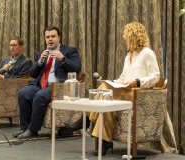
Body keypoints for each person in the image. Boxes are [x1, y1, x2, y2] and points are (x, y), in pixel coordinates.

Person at [66, 22, 160, 156]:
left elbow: (156, 77)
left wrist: (137, 82)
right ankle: (105, 141)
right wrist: (111, 82)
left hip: (138, 95)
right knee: (106, 101)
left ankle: (86, 119)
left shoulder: (147, 53)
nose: (123, 37)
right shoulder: (129, 55)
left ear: (133, 35)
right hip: (124, 92)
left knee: (104, 90)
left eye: (125, 34)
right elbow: (122, 78)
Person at [13, 26, 81, 139]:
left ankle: (33, 130)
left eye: (53, 36)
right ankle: (24, 128)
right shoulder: (41, 53)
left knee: (40, 96)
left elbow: (77, 68)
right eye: (47, 37)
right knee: (23, 93)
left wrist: (62, 59)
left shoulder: (69, 51)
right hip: (41, 85)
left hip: (59, 86)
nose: (50, 39)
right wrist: (39, 62)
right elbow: (33, 74)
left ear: (59, 37)